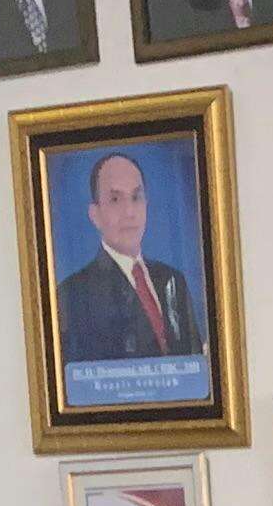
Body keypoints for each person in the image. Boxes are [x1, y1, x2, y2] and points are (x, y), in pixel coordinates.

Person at [56, 151, 202, 364]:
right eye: (115, 199)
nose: (129, 212)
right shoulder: (73, 295)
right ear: (95, 215)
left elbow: (195, 364)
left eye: (136, 197)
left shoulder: (173, 280)